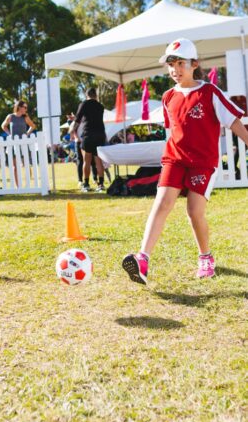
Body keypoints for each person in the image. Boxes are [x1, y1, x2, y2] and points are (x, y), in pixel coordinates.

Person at [122, 38, 248, 285]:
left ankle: (205, 257)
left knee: (194, 211)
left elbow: (234, 121)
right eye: (171, 64)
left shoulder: (210, 92)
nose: (175, 69)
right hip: (174, 159)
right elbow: (175, 131)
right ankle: (143, 260)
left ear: (194, 64)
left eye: (180, 63)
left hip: (203, 163)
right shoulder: (169, 97)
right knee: (161, 204)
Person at [72, 88, 106, 192]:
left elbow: (77, 120)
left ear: (87, 95)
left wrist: (73, 131)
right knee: (98, 160)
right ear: (95, 95)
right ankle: (101, 184)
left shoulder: (84, 104)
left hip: (88, 134)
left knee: (86, 160)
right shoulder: (100, 106)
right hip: (100, 134)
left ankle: (86, 184)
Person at [1, 100, 36, 186]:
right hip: (14, 144)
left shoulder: (25, 117)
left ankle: (28, 184)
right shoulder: (10, 116)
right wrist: (9, 134)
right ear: (19, 107)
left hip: (23, 144)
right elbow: (3, 126)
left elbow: (33, 126)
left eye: (26, 107)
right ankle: (18, 186)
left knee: (26, 164)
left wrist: (27, 134)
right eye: (25, 107)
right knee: (15, 167)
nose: (26, 109)